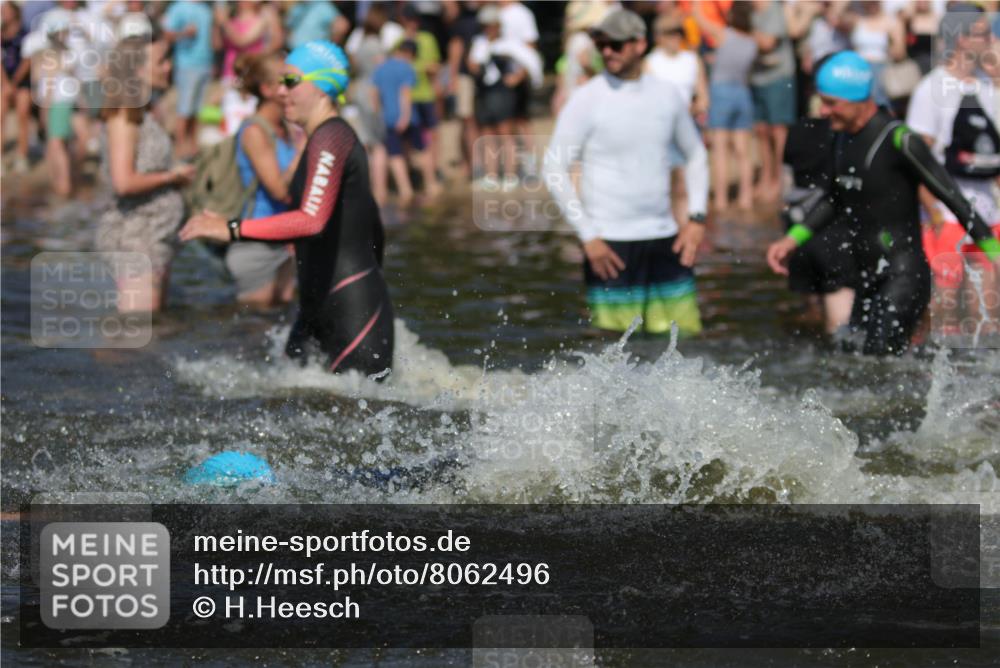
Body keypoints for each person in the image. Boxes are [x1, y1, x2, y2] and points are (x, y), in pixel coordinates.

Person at [180, 41, 394, 376]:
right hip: (317, 303)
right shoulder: (317, 141)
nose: (281, 92)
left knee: (353, 405)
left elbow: (311, 220)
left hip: (352, 308)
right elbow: (372, 224)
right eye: (280, 82)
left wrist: (232, 228)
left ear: (322, 86)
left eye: (291, 82)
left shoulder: (332, 138)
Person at [766, 51, 1000, 356]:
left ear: (859, 100)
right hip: (866, 276)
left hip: (904, 276)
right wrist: (792, 239)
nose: (823, 111)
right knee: (854, 359)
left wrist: (994, 253)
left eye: (831, 103)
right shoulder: (841, 137)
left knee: (879, 362)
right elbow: (835, 198)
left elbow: (953, 197)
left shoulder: (899, 139)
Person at [544, 9, 710, 337]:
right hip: (609, 245)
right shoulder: (586, 98)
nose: (607, 51)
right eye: (601, 44)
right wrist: (587, 236)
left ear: (640, 44)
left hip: (666, 239)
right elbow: (553, 167)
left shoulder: (667, 94)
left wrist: (697, 218)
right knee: (614, 348)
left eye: (616, 44)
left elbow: (696, 155)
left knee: (684, 343)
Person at [906, 4, 1000, 333]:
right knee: (944, 311)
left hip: (988, 215)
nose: (991, 40)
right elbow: (916, 160)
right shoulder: (931, 89)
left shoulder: (989, 87)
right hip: (945, 215)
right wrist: (932, 212)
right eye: (984, 34)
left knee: (988, 311)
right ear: (961, 39)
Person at [96, 35, 195, 312]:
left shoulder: (145, 111)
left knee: (157, 325)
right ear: (138, 70)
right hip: (134, 236)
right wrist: (173, 177)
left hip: (156, 234)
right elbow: (123, 183)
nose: (169, 66)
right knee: (136, 329)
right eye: (161, 61)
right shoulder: (123, 114)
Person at [227, 53, 300, 307]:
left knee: (284, 318)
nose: (295, 86)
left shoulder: (286, 129)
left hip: (285, 239)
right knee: (256, 323)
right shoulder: (254, 131)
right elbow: (279, 190)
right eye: (287, 81)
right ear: (267, 89)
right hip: (256, 244)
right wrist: (303, 151)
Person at [781, 116, 856, 334]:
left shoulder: (796, 130)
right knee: (839, 331)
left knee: (811, 317)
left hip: (797, 227)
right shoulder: (846, 134)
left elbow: (785, 180)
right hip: (833, 236)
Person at [645, 12, 709, 223]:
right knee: (660, 186)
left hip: (687, 128)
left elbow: (703, 98)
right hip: (660, 130)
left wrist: (694, 109)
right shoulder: (650, 63)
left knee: (682, 185)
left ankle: (683, 229)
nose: (675, 37)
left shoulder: (691, 60)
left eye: (678, 32)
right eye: (669, 33)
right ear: (658, 36)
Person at [694, 1, 757, 211]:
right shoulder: (752, 40)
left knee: (720, 150)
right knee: (743, 152)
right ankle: (746, 197)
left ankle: (721, 199)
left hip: (721, 92)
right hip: (743, 92)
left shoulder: (723, 34)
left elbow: (699, 18)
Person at [371, 39, 440, 204]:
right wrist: (405, 116)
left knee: (395, 154)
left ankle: (405, 190)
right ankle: (431, 184)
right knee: (422, 149)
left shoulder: (380, 68)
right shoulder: (406, 68)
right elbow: (405, 93)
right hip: (408, 117)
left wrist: (379, 112)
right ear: (409, 54)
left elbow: (373, 93)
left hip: (388, 118)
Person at [467, 4, 526, 191]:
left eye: (492, 24)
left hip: (502, 93)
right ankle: (491, 176)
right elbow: (472, 65)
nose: (489, 28)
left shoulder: (509, 43)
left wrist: (515, 78)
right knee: (488, 134)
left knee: (506, 134)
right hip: (485, 92)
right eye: (486, 25)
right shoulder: (479, 43)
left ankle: (510, 175)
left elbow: (526, 63)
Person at [750, 0, 801, 204]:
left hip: (779, 77)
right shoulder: (750, 11)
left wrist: (743, 34)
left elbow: (767, 43)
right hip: (757, 77)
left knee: (778, 130)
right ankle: (765, 178)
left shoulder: (774, 9)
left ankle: (779, 180)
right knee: (761, 130)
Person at [161, 0, 214, 158]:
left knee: (197, 108)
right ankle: (180, 147)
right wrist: (184, 33)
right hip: (187, 64)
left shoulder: (206, 9)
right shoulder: (178, 7)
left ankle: (192, 146)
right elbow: (167, 35)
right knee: (185, 108)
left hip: (206, 64)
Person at [2, 1, 32, 173]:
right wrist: (6, 84)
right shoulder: (1, 34)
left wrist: (14, 83)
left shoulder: (25, 33)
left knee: (23, 116)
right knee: (1, 117)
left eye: (6, 10)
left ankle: (22, 156)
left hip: (22, 82)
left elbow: (27, 60)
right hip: (4, 82)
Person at [284, 0, 349, 50]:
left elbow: (342, 26)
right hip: (291, 49)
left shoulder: (323, 6)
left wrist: (328, 48)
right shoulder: (300, 5)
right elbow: (288, 25)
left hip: (309, 52)